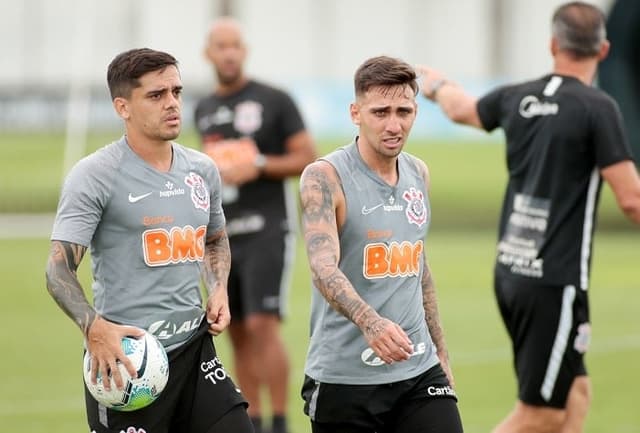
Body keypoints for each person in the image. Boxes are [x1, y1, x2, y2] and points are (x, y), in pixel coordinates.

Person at [417, 2, 640, 432]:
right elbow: (631, 199)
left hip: (513, 270)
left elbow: (461, 108)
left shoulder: (517, 96)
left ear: (553, 44)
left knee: (575, 393)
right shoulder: (598, 108)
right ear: (605, 49)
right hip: (555, 280)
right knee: (539, 413)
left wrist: (437, 83)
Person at [45, 48, 253, 433]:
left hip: (195, 351)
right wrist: (95, 329)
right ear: (122, 107)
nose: (172, 103)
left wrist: (218, 287)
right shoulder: (94, 175)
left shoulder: (201, 170)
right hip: (127, 362)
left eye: (176, 91)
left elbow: (215, 240)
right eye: (156, 96)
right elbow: (57, 270)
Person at [298, 55, 464, 433]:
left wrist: (440, 353)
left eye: (403, 111)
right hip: (346, 378)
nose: (394, 125)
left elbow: (419, 266)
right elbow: (323, 268)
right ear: (355, 113)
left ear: (416, 111)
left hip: (419, 371)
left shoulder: (418, 173)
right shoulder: (324, 177)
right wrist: (371, 324)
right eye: (380, 112)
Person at [193, 17, 317, 433]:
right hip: (224, 235)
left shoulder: (274, 99)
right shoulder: (203, 108)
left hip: (267, 227)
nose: (228, 53)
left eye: (235, 45)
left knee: (264, 324)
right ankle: (254, 421)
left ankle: (280, 422)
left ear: (244, 51)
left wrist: (259, 164)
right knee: (237, 329)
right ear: (208, 54)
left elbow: (307, 158)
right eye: (220, 46)